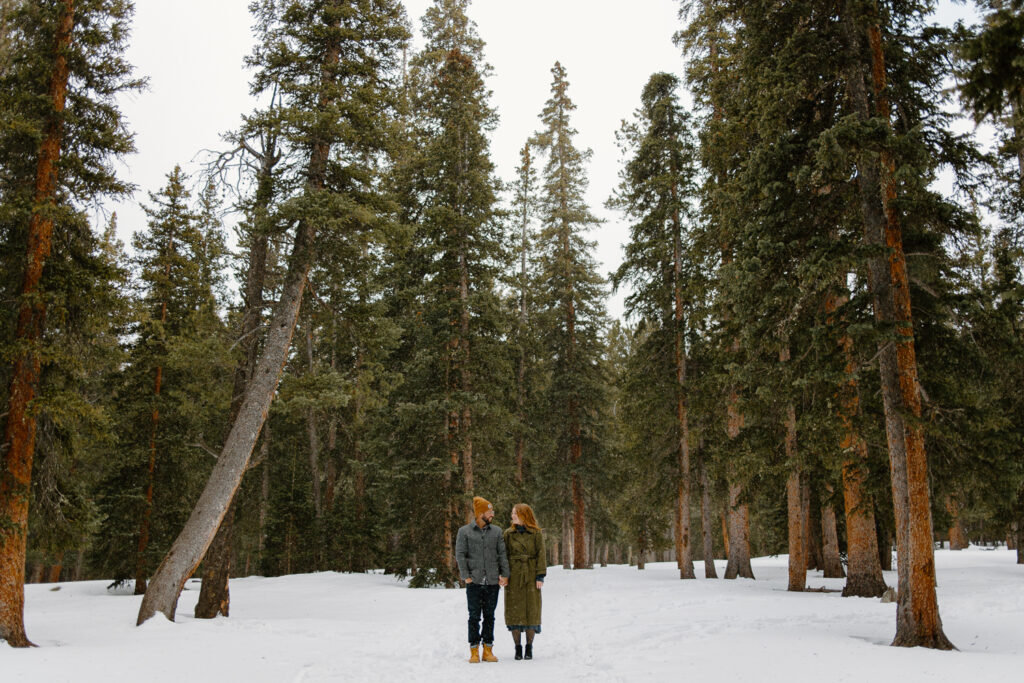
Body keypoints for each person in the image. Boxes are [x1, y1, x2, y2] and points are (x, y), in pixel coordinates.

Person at [455, 496, 509, 663]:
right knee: (474, 617)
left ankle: (488, 649)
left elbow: (502, 555)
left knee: (489, 616)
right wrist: (466, 577)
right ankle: (474, 650)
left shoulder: (497, 532)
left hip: (492, 581)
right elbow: (460, 555)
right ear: (480, 514)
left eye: (492, 511)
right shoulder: (464, 532)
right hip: (474, 582)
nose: (492, 514)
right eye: (489, 511)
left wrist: (505, 574)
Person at [502, 503, 546, 660]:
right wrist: (504, 575)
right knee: (514, 610)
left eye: (515, 513)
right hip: (514, 576)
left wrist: (540, 576)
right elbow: (503, 556)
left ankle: (529, 646)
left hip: (531, 574)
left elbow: (541, 554)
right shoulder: (508, 534)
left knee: (531, 610)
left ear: (523, 515)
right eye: (512, 513)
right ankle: (517, 647)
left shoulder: (536, 534)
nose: (512, 516)